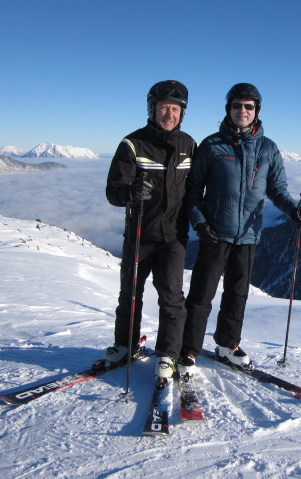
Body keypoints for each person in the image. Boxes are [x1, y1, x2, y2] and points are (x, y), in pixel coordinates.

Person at [177, 83, 301, 377]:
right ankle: (187, 349)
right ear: (229, 109)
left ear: (256, 111)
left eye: (249, 106)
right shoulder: (212, 145)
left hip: (248, 236)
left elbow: (277, 189)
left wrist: (292, 211)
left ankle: (227, 344)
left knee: (237, 295)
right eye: (237, 105)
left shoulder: (268, 148)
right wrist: (199, 222)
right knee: (201, 296)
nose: (243, 111)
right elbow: (193, 190)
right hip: (215, 233)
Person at [104, 80, 196, 382]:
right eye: (162, 107)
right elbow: (113, 192)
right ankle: (125, 345)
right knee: (129, 294)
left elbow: (197, 189)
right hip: (140, 235)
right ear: (151, 109)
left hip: (173, 237)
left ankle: (168, 353)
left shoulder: (189, 145)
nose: (168, 114)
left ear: (182, 113)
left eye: (174, 108)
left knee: (171, 297)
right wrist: (131, 193)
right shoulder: (132, 144)